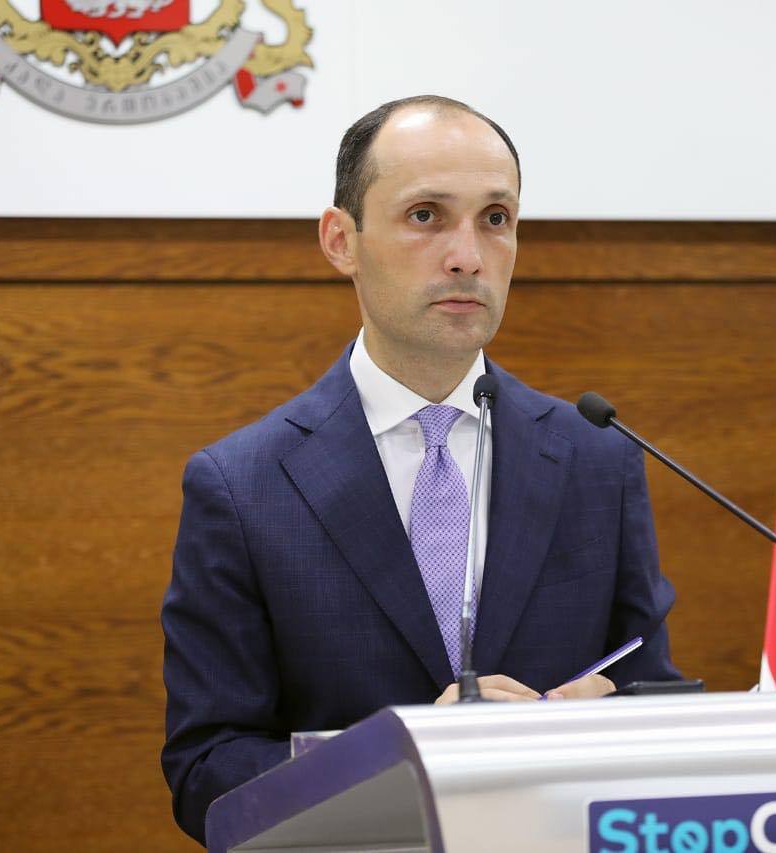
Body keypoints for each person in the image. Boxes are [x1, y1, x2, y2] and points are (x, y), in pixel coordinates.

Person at [159, 95, 679, 845]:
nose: (468, 255)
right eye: (426, 215)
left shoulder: (597, 456)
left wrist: (598, 726)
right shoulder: (242, 486)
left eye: (495, 218)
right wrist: (394, 764)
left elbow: (653, 692)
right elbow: (206, 770)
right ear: (341, 240)